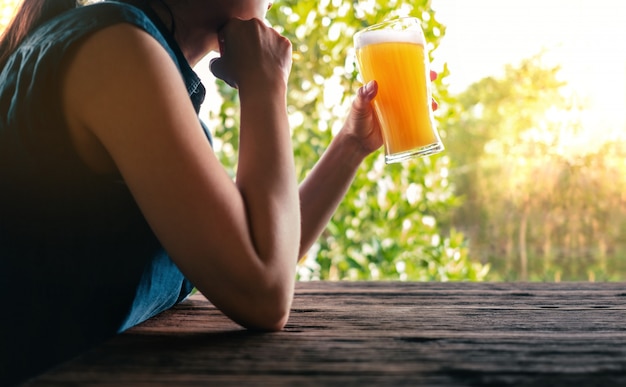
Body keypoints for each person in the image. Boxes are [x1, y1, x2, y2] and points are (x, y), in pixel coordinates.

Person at [0, 0, 437, 384]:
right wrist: (265, 84)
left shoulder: (137, 57)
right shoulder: (117, 49)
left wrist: (352, 144)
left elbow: (258, 250)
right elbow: (264, 292)